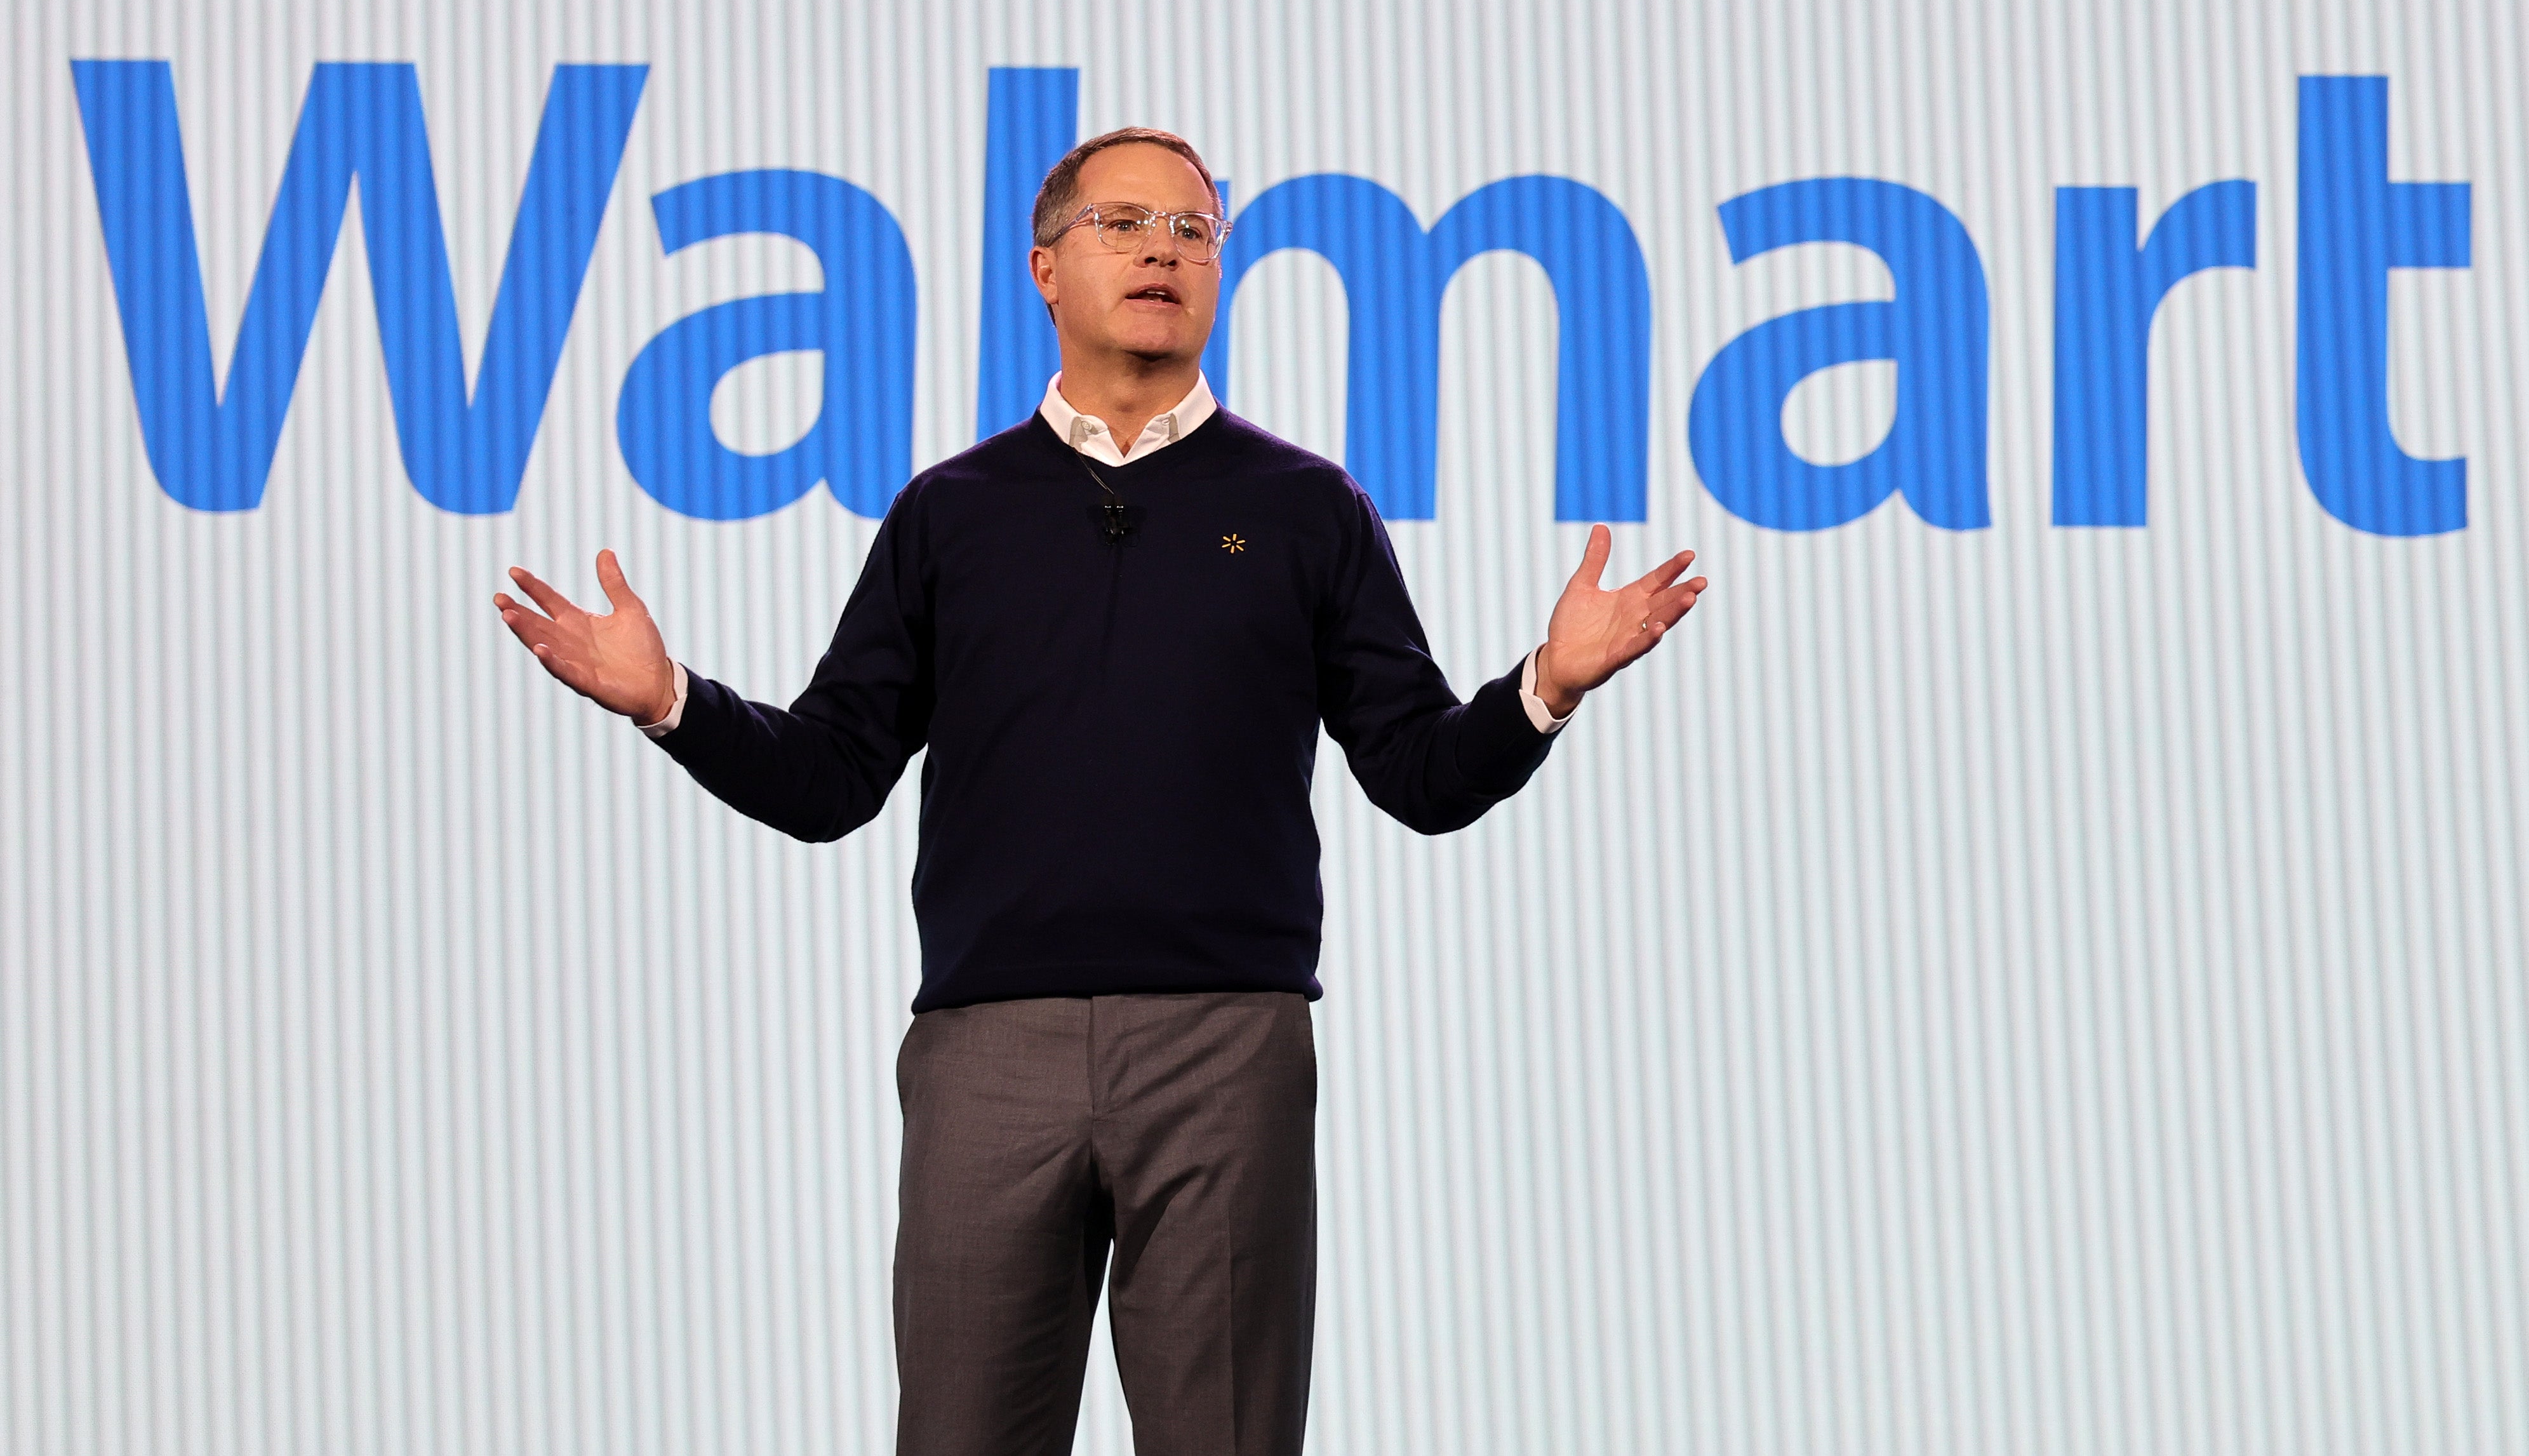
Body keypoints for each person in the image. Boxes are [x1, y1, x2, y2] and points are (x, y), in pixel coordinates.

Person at [493, 127, 1707, 1456]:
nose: (1163, 252)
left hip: (1228, 1049)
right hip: (983, 1055)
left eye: (1195, 232)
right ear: (1047, 267)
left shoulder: (1307, 507)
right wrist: (670, 697)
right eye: (1126, 223)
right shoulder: (950, 514)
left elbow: (1419, 772)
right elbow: (829, 775)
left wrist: (1548, 680)